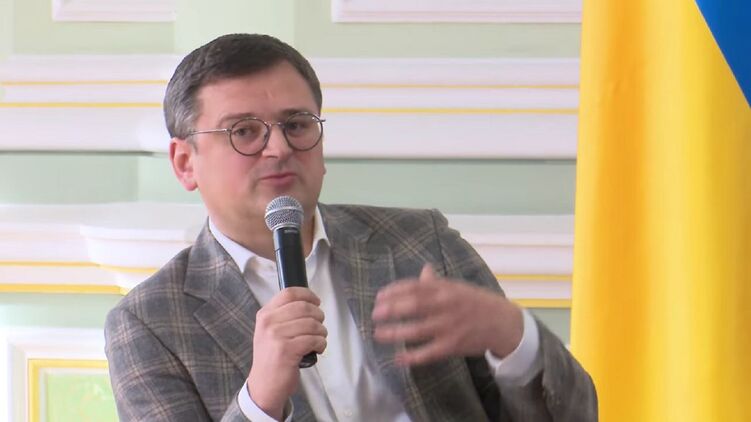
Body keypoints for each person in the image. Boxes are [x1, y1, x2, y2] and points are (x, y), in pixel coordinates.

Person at [104, 33, 597, 421]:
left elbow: (577, 413)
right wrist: (260, 399)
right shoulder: (148, 323)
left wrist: (514, 336)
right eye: (245, 132)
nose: (279, 148)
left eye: (297, 124)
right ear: (185, 162)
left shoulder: (420, 243)